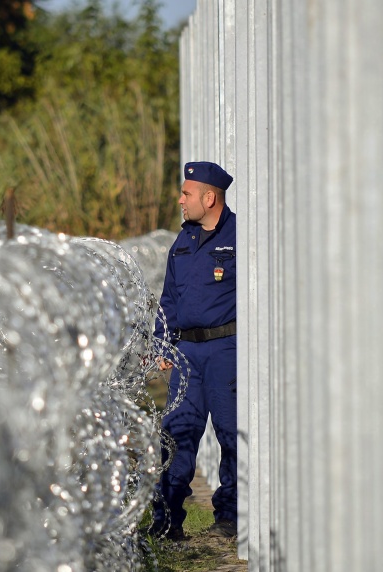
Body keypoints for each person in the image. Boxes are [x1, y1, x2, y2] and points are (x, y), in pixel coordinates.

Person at [151, 160, 238, 541]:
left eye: (187, 193)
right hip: (186, 354)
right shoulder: (182, 240)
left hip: (225, 350)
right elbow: (169, 299)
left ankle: (230, 517)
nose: (180, 199)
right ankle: (167, 520)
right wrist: (162, 343)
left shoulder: (239, 236)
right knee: (176, 435)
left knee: (230, 434)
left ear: (209, 196)